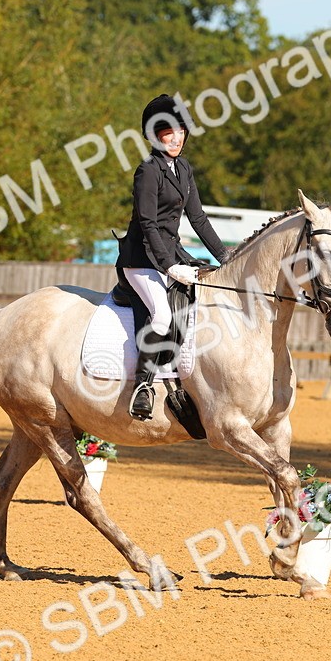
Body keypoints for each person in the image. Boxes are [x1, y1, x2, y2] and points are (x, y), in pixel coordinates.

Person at [116, 93, 230, 421]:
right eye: (168, 132)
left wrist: (226, 257)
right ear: (154, 136)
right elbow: (148, 223)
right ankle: (143, 387)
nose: (176, 138)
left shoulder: (183, 168)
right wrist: (169, 266)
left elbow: (199, 219)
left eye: (181, 131)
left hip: (173, 253)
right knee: (163, 315)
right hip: (140, 260)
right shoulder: (148, 171)